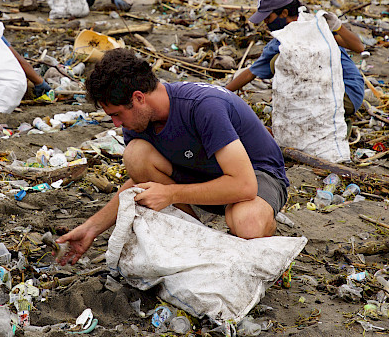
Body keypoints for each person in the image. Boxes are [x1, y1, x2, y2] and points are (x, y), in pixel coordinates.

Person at [55, 48, 289, 266]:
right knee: (135, 154)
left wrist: (171, 193)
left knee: (247, 223)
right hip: (199, 177)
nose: (116, 124)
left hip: (255, 177)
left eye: (117, 114)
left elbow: (244, 186)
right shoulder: (137, 122)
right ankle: (200, 232)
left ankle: (264, 220)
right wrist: (91, 229)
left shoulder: (203, 106)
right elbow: (139, 181)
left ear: (138, 98)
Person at [226, 0, 365, 117]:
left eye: (268, 18)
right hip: (338, 95)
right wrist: (221, 93)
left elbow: (358, 47)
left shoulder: (315, 27)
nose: (266, 23)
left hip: (345, 94)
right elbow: (251, 73)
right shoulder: (282, 41)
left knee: (278, 60)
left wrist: (337, 26)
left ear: (284, 13)